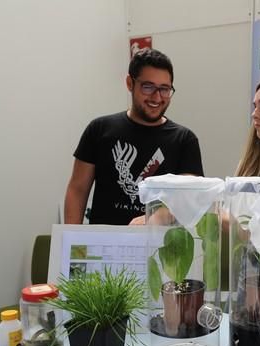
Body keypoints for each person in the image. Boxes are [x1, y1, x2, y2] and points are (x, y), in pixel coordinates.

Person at [64, 48, 203, 225]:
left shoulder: (184, 140)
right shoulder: (99, 130)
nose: (157, 96)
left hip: (159, 249)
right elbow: (78, 189)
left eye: (165, 89)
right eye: (148, 87)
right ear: (130, 83)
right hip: (103, 246)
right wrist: (70, 241)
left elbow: (189, 198)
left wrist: (152, 218)